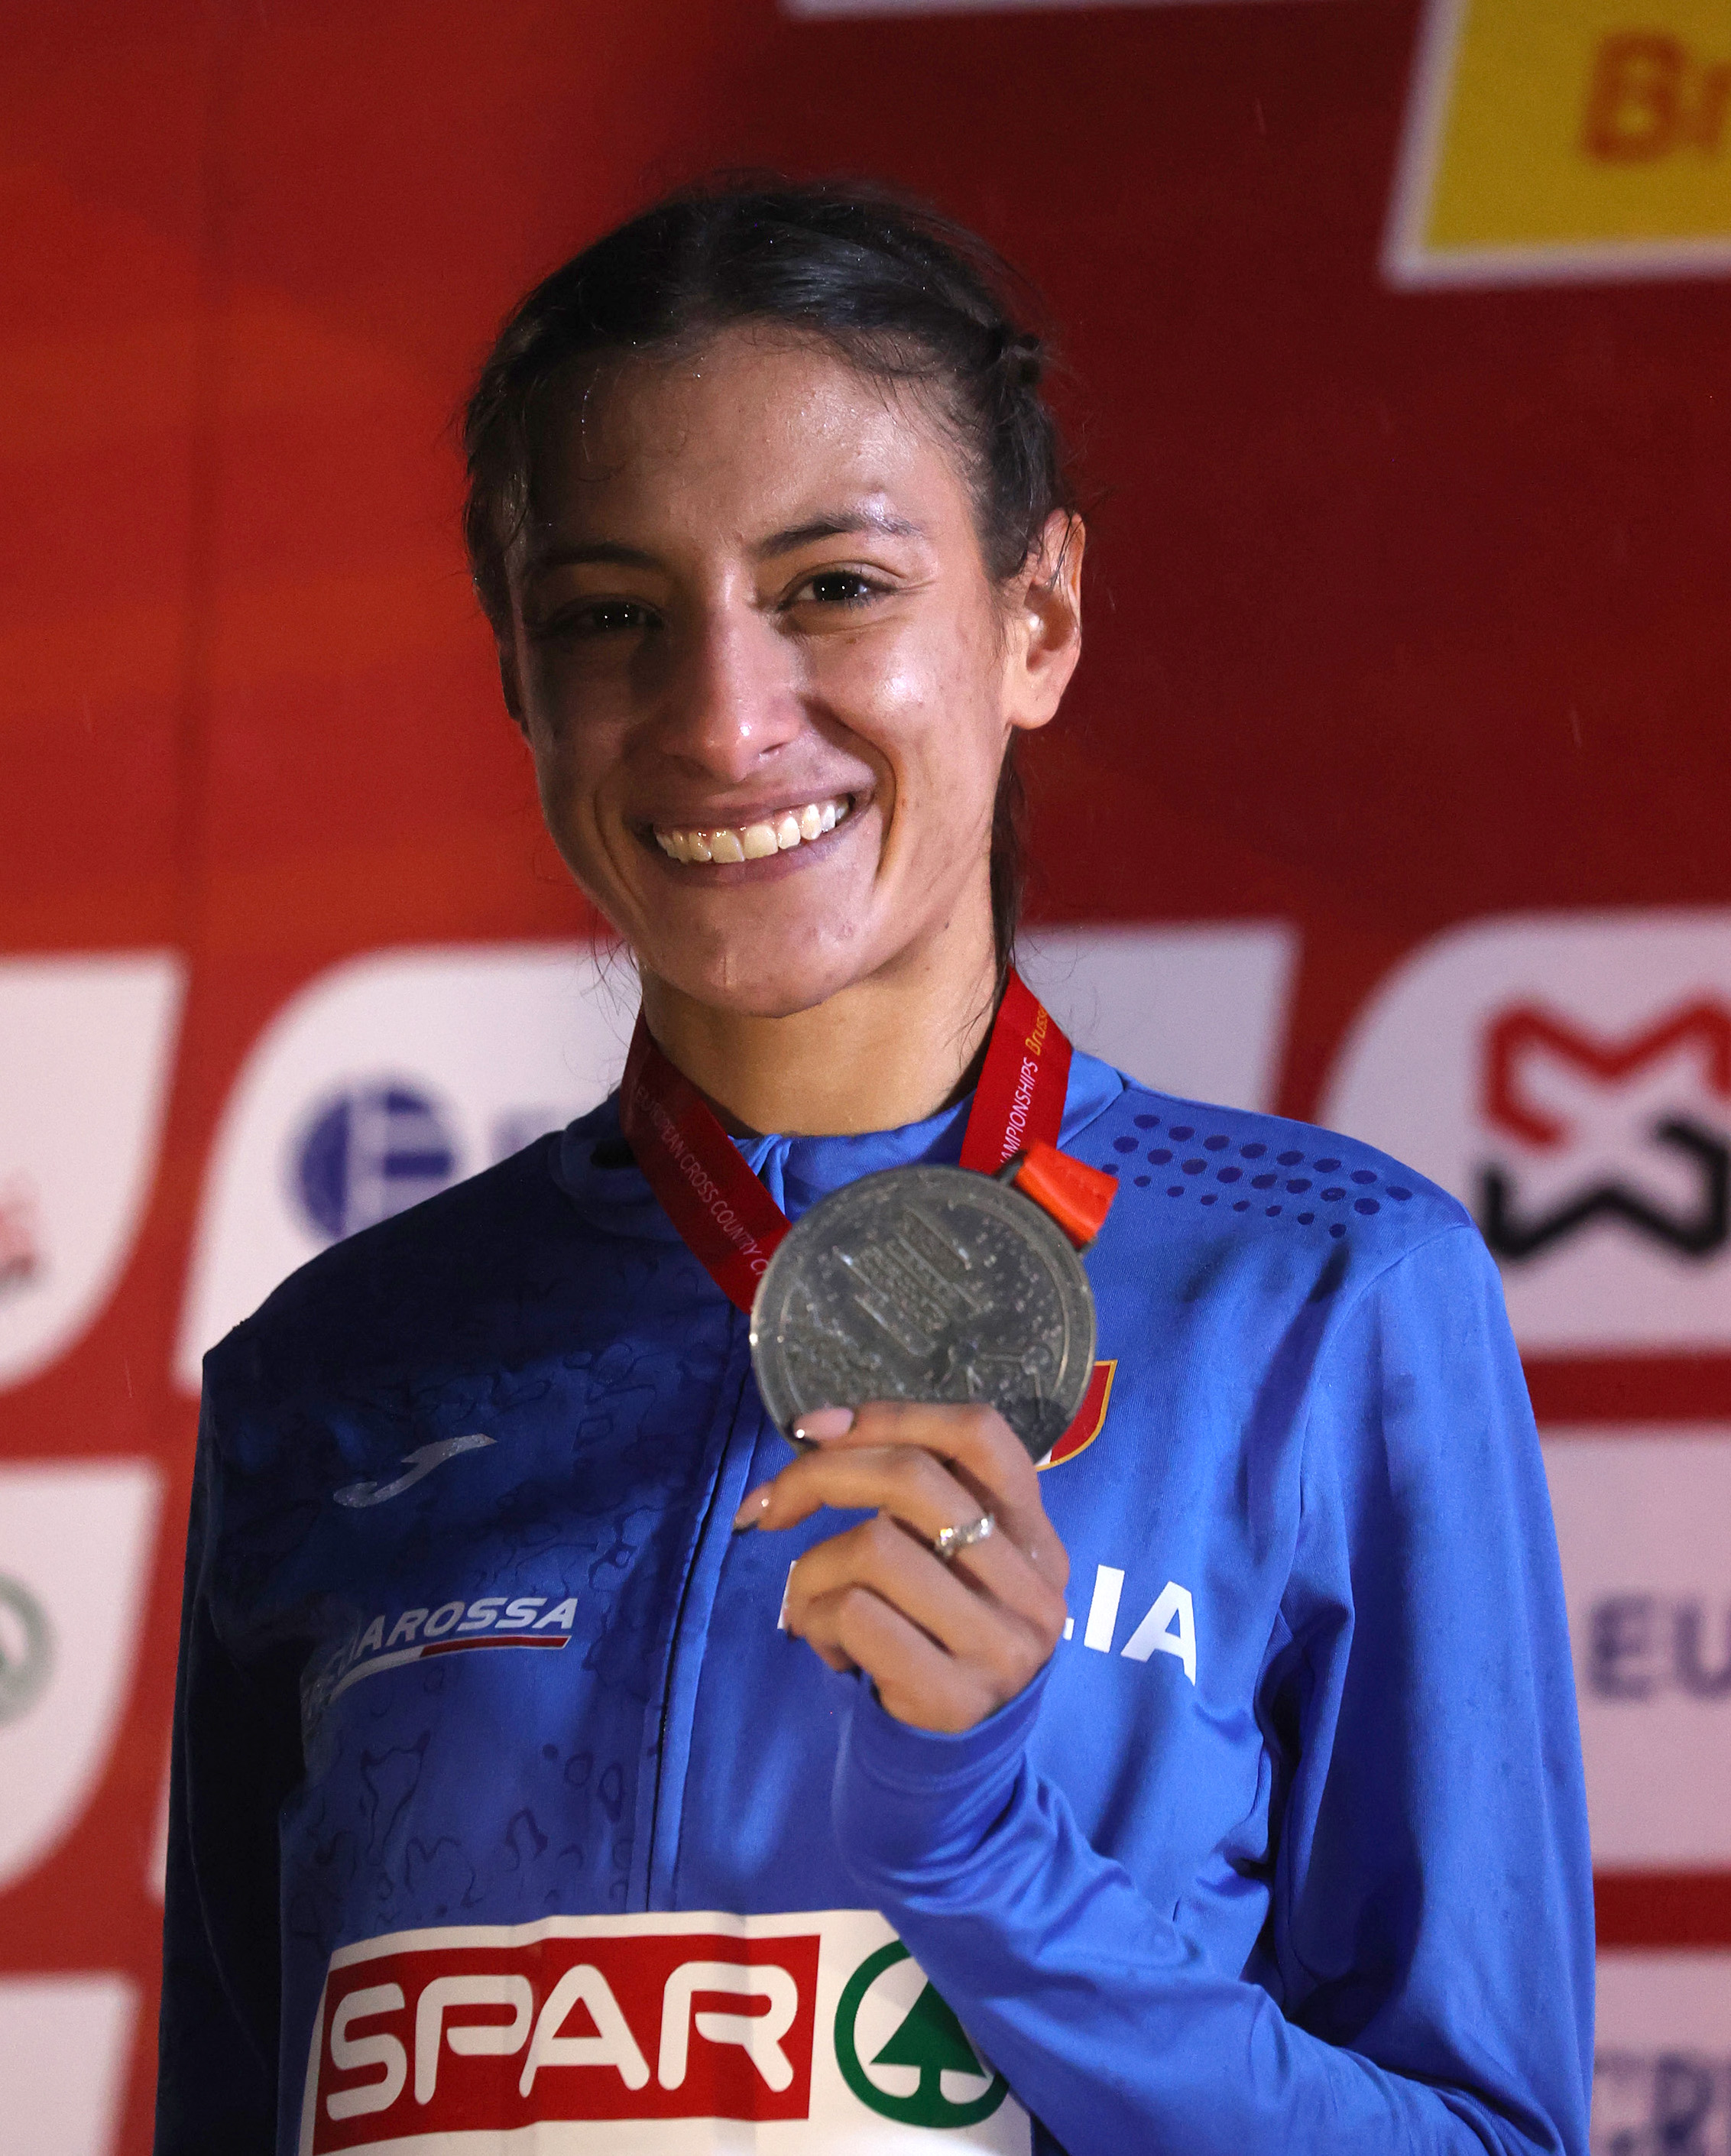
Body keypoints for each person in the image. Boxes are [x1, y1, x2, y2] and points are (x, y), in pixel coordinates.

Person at [156, 178, 1594, 2156]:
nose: (723, 721)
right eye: (609, 616)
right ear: (515, 673)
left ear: (1037, 617)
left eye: (833, 587)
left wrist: (989, 1860)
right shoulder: (333, 1375)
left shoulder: (1320, 1298)